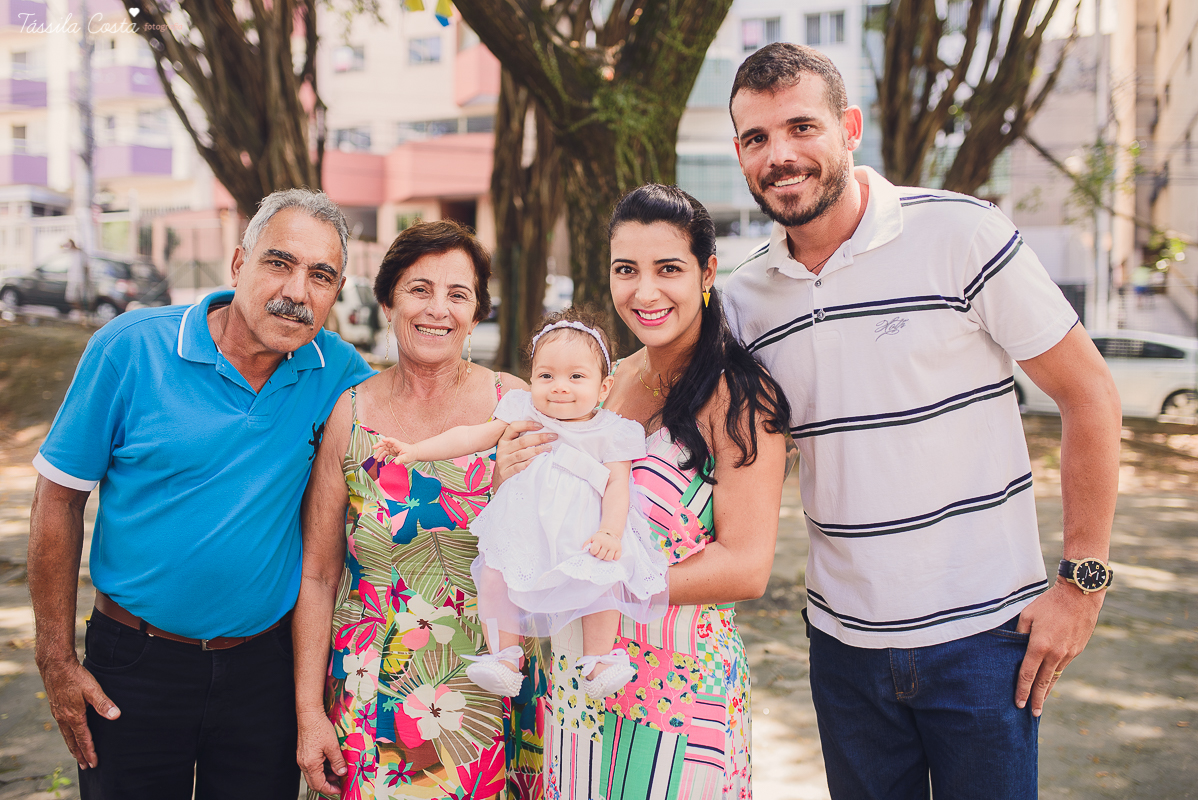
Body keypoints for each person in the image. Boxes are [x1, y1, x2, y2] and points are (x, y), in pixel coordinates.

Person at [722, 43, 1122, 799]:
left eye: (802, 127)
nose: (780, 156)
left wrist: (1082, 584)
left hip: (985, 641)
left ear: (849, 128)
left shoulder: (962, 233)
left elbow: (1090, 394)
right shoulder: (745, 302)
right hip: (843, 649)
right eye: (756, 138)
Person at [27, 188, 376, 799]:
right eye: (279, 263)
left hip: (266, 672)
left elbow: (422, 408)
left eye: (321, 276)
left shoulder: (338, 373)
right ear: (239, 264)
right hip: (135, 664)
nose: (297, 291)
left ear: (337, 292)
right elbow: (58, 500)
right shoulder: (130, 348)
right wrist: (55, 660)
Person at [495, 184, 792, 799]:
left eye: (669, 269)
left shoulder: (741, 398)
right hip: (577, 682)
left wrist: (611, 584)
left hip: (679, 695)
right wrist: (510, 475)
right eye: (626, 269)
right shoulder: (598, 384)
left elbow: (747, 567)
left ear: (707, 272)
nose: (645, 291)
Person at [293, 220, 544, 800]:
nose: (438, 309)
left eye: (458, 294)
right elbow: (319, 574)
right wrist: (309, 712)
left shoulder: (517, 403)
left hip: (492, 690)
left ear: (476, 313)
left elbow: (560, 543)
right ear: (387, 301)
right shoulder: (349, 414)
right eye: (419, 289)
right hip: (369, 694)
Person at [373, 308, 668, 700]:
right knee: (495, 576)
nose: (559, 387)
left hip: (583, 532)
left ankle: (599, 658)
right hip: (523, 526)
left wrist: (611, 532)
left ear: (604, 387)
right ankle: (505, 657)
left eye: (576, 377)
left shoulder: (612, 431)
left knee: (602, 581)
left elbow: (618, 486)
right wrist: (415, 450)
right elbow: (469, 437)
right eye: (546, 376)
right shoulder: (523, 410)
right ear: (531, 380)